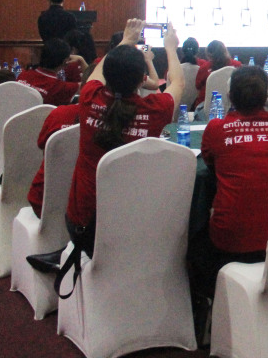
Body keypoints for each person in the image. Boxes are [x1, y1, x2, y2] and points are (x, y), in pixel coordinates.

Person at [65, 19, 184, 258]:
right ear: (143, 79)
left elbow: (97, 72)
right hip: (137, 228)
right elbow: (178, 82)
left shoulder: (89, 97)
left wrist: (126, 40)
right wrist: (170, 47)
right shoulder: (156, 110)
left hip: (85, 226)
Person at [193, 66, 268, 305]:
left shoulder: (216, 128)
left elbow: (210, 162)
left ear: (229, 96)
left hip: (230, 239)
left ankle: (205, 302)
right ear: (267, 96)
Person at [27, 103, 81, 217]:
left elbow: (42, 146)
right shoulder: (114, 125)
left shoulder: (59, 114)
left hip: (44, 203)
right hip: (89, 211)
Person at [17, 39, 86, 106]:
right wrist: (81, 60)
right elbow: (91, 84)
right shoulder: (60, 87)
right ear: (65, 62)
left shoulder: (22, 75)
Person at [194, 40, 240, 108]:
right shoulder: (237, 66)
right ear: (225, 51)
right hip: (232, 106)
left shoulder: (204, 68)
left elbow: (198, 86)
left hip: (206, 107)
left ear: (209, 54)